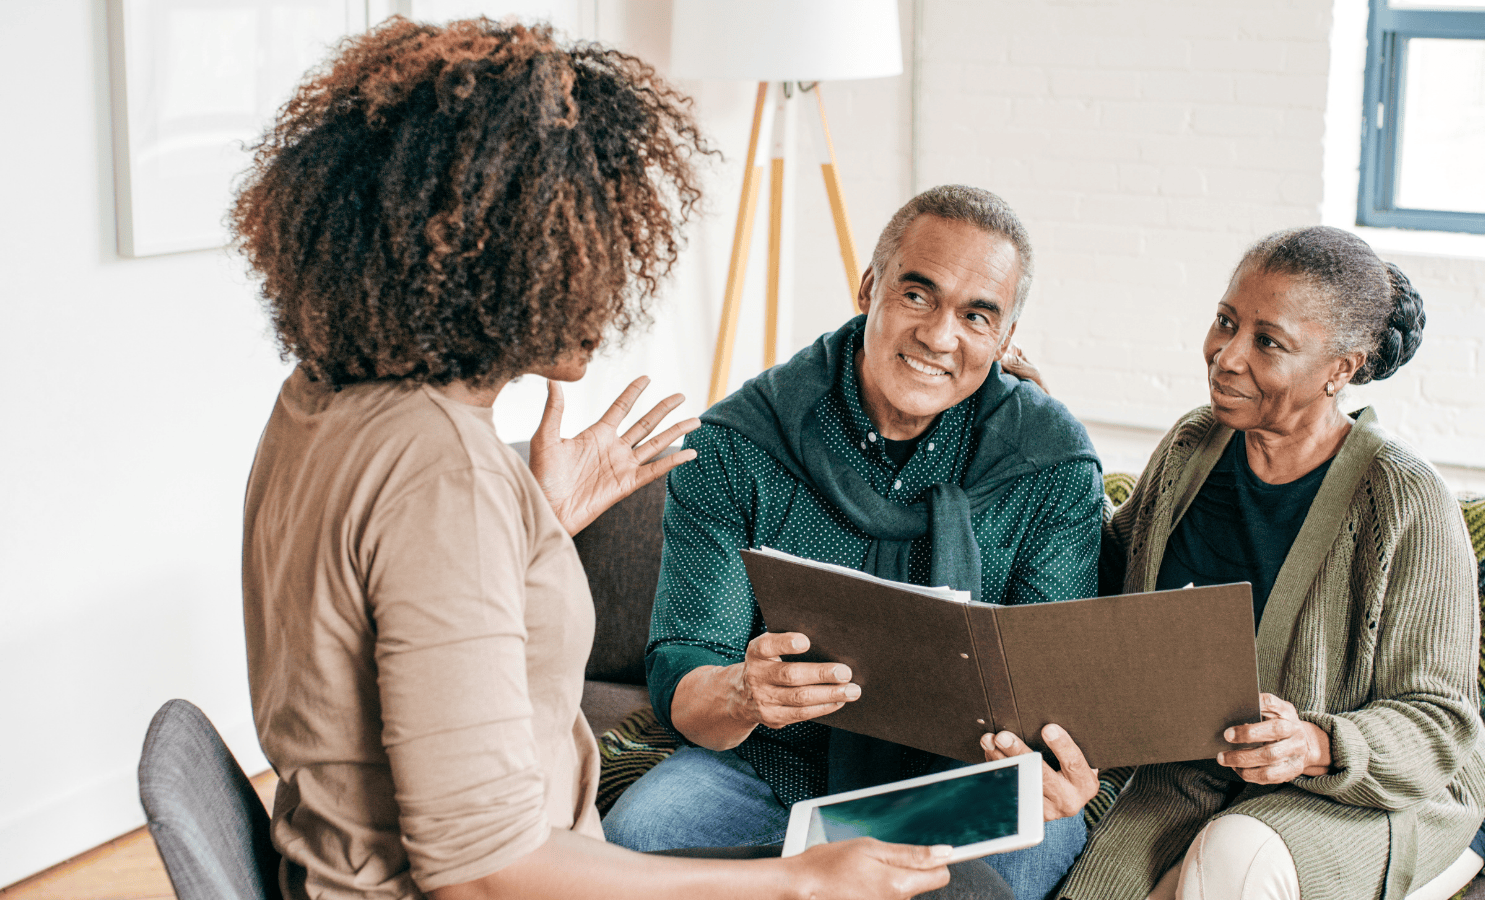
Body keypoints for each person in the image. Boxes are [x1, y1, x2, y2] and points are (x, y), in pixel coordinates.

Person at [232, 18, 1013, 900]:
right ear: (487, 258)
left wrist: (532, 525)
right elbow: (486, 871)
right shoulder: (444, 479)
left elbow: (377, 593)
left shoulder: (325, 397)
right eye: (584, 246)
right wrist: (801, 883)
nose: (616, 284)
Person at [1037, 226, 1485, 900]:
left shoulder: (1404, 498)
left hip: (1383, 795)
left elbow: (1439, 721)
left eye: (1268, 342)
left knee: (1235, 857)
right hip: (1196, 776)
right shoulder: (1193, 445)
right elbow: (1111, 573)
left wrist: (1312, 742)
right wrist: (1049, 435)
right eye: (1225, 321)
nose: (1226, 356)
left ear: (1342, 368)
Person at [603, 186, 1107, 900]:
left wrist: (1055, 764)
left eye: (977, 315)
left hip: (963, 787)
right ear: (869, 288)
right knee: (641, 836)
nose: (939, 336)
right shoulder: (737, 443)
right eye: (918, 295)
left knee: (1020, 859)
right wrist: (746, 692)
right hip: (772, 770)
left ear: (1005, 336)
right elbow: (684, 667)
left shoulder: (1050, 463)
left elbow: (1054, 686)